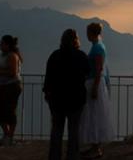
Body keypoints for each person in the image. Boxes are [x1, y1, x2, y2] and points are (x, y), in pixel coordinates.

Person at [44, 29, 90, 160]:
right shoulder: (81, 56)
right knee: (74, 131)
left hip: (57, 100)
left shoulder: (54, 56)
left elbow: (49, 77)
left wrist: (47, 93)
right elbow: (87, 72)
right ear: (76, 40)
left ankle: (54, 156)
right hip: (76, 100)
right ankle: (72, 156)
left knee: (57, 130)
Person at [79, 23, 116, 158]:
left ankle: (96, 147)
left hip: (95, 83)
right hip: (95, 83)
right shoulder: (98, 46)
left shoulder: (98, 48)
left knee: (94, 115)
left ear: (91, 33)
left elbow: (99, 68)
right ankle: (95, 146)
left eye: (87, 32)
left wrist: (95, 87)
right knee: (94, 114)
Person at [0, 35, 23, 146]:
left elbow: (13, 73)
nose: (0, 45)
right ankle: (7, 135)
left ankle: (9, 136)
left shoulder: (12, 56)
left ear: (7, 45)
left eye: (2, 43)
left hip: (11, 86)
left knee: (9, 111)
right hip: (3, 86)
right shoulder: (5, 55)